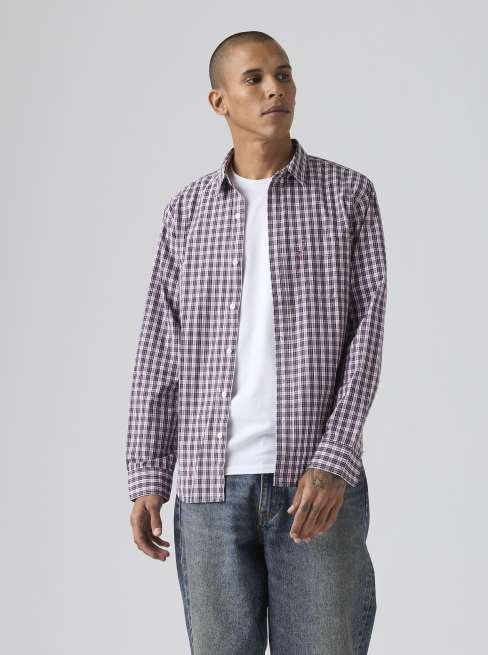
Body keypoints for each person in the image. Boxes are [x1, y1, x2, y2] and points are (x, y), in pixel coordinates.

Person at [126, 30, 387, 655]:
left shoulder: (347, 195)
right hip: (208, 488)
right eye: (255, 79)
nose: (276, 89)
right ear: (219, 101)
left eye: (284, 74)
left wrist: (334, 460)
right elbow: (160, 347)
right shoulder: (187, 212)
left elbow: (368, 333)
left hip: (314, 484)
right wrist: (147, 472)